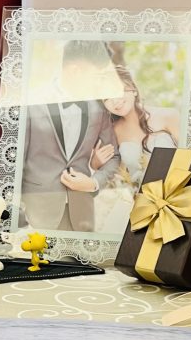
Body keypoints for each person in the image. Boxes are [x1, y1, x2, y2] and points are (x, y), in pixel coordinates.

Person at [20, 40, 122, 231]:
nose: (100, 82)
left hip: (82, 214)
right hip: (35, 213)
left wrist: (94, 183)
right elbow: (15, 161)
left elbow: (114, 156)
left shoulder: (99, 109)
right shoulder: (31, 102)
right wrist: (16, 213)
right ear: (75, 71)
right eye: (97, 76)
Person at [97, 43, 179, 187]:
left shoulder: (169, 116)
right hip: (139, 196)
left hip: (178, 191)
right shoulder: (113, 131)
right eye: (107, 98)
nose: (115, 101)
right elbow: (116, 174)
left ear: (133, 89)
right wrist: (95, 163)